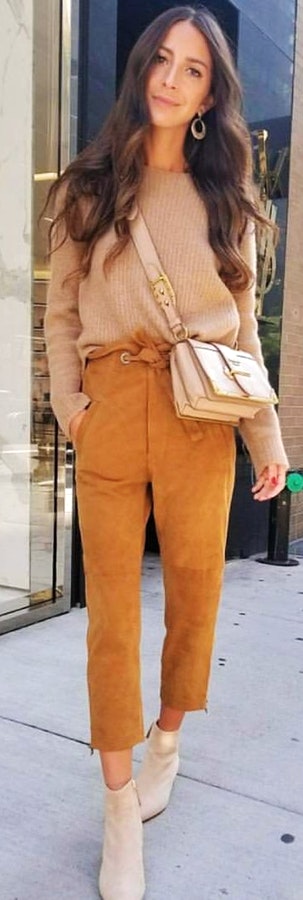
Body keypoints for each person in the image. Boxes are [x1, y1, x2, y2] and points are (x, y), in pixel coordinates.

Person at [44, 5, 289, 898]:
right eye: (162, 59)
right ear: (139, 66)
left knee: (195, 594)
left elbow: (246, 341)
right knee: (112, 613)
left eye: (193, 70)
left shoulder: (229, 198)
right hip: (112, 407)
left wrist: (264, 436)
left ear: (208, 95)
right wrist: (74, 410)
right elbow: (62, 316)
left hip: (200, 419)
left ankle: (168, 745)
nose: (171, 78)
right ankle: (117, 811)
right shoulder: (86, 186)